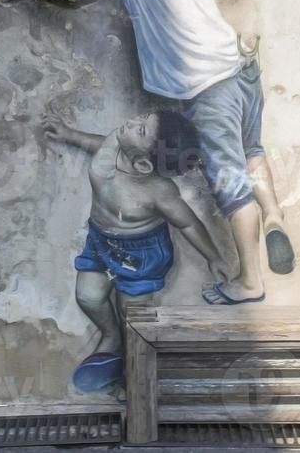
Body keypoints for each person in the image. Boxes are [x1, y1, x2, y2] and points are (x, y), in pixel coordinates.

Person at [74, 0, 294, 305]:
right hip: (242, 69)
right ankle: (275, 214)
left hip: (207, 93)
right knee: (251, 149)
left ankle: (249, 281)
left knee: (230, 187)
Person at [43, 108, 230, 391]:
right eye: (141, 118)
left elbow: (188, 224)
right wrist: (70, 135)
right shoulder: (116, 142)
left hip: (141, 254)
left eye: (141, 130)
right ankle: (111, 336)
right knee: (88, 297)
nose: (132, 121)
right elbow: (98, 144)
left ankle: (135, 375)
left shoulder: (159, 191)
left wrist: (214, 257)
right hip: (100, 241)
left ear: (143, 166)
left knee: (134, 321)